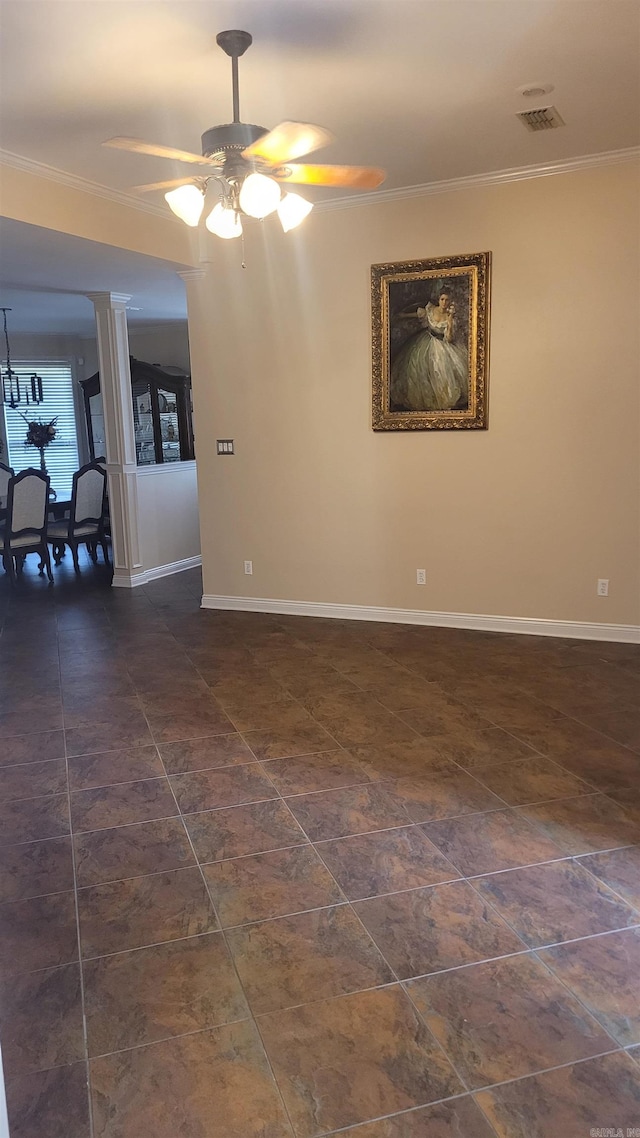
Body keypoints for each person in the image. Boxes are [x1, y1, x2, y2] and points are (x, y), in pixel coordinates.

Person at [389, 288, 469, 411]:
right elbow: (419, 314)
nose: (444, 302)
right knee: (419, 369)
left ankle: (442, 401)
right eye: (442, 299)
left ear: (450, 302)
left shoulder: (450, 316)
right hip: (427, 341)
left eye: (447, 300)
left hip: (442, 345)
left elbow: (448, 339)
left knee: (441, 371)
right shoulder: (431, 310)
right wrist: (402, 315)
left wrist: (450, 320)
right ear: (438, 299)